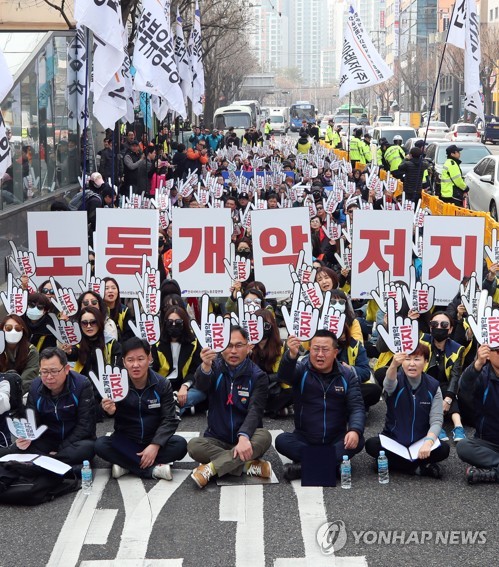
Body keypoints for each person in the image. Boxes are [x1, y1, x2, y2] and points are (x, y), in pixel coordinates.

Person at [187, 326, 272, 488]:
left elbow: (256, 410)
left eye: (239, 345)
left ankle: (211, 468)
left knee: (265, 436)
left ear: (249, 347)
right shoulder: (214, 367)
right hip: (217, 438)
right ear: (220, 347)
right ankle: (247, 466)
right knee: (193, 446)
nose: (233, 351)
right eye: (228, 345)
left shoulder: (258, 375)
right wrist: (204, 366)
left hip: (247, 440)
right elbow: (201, 386)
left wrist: (244, 436)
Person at [275, 330, 365, 481]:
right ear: (310, 349)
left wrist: (355, 430)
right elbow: (284, 376)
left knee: (358, 440)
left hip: (335, 439)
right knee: (281, 441)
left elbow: (356, 407)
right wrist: (290, 356)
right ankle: (332, 466)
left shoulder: (347, 375)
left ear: (335, 352)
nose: (320, 354)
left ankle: (303, 468)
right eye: (315, 349)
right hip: (305, 438)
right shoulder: (302, 369)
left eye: (325, 349)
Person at [95, 338, 187, 480]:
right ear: (124, 362)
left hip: (153, 439)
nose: (135, 365)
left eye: (140, 359)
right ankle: (152, 470)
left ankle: (126, 464)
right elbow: (96, 413)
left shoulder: (162, 384)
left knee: (180, 445)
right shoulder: (116, 385)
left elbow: (170, 419)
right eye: (130, 360)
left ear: (149, 358)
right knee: (100, 445)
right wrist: (107, 410)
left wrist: (155, 445)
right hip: (126, 440)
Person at [0, 347, 96, 466]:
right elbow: (32, 421)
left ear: (66, 369)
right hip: (48, 438)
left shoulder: (82, 384)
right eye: (44, 372)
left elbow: (85, 426)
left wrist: (61, 448)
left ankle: (41, 464)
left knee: (88, 448)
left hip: (75, 441)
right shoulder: (35, 386)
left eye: (54, 371)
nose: (49, 377)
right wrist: (26, 436)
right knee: (18, 449)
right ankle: (54, 465)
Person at [365, 345, 450, 478]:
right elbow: (388, 384)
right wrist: (393, 365)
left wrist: (428, 442)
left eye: (417, 359)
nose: (412, 364)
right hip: (394, 441)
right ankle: (418, 468)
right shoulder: (396, 379)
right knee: (371, 445)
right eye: (407, 359)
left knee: (444, 449)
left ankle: (393, 464)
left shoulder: (433, 386)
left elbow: (437, 419)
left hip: (420, 443)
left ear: (426, 362)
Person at [420, 311, 467, 443]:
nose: (439, 327)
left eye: (444, 324)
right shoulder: (421, 341)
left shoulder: (457, 349)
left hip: (445, 386)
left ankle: (458, 426)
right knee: (429, 388)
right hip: (424, 383)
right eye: (434, 324)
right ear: (430, 327)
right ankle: (437, 426)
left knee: (446, 388)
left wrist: (447, 400)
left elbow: (455, 376)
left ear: (450, 329)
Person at [456, 344, 499, 484]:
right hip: (488, 442)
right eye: (497, 350)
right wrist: (478, 363)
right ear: (487, 352)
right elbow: (464, 386)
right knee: (463, 447)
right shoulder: (482, 374)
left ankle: (493, 473)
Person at [151, 306, 205, 415]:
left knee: (201, 393)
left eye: (178, 322)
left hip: (185, 385)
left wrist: (184, 387)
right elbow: (154, 371)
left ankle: (171, 406)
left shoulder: (193, 343)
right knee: (152, 396)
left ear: (184, 323)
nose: (174, 325)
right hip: (163, 384)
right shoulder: (157, 344)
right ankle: (180, 407)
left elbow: (194, 370)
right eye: (170, 322)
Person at [250, 309, 292, 417]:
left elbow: (283, 374)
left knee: (294, 391)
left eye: (266, 325)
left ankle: (268, 409)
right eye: (258, 324)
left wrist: (267, 378)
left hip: (273, 390)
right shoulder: (246, 346)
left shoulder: (281, 347)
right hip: (251, 389)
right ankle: (276, 410)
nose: (262, 328)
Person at [0, 315, 39, 395]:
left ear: (23, 331)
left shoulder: (31, 351)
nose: (13, 332)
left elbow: (28, 377)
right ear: (2, 329)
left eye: (18, 329)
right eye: (8, 328)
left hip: (20, 393)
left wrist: (13, 394)